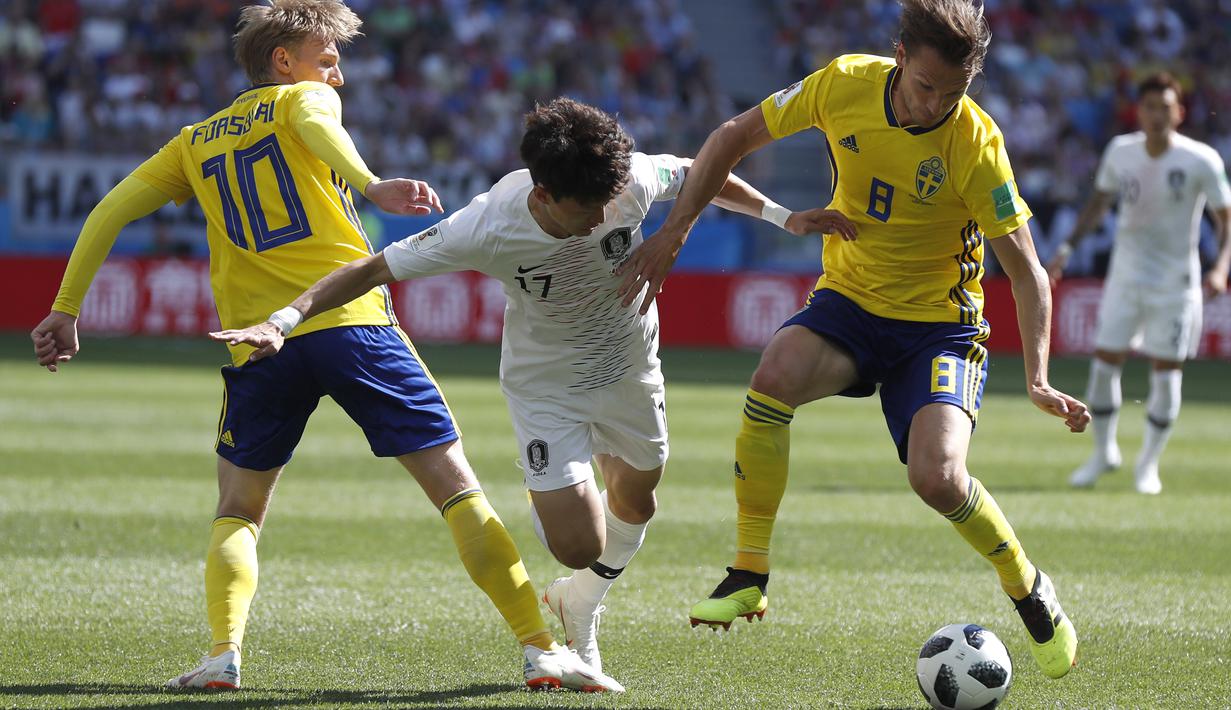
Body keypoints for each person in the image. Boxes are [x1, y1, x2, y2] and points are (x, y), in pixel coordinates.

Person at [29, 0, 618, 694]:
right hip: (351, 324)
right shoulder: (301, 100)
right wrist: (370, 184)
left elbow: (109, 210)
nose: (336, 74)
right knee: (455, 488)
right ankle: (539, 647)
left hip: (260, 342)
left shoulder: (192, 143)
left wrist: (67, 309)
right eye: (327, 57)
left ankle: (222, 654)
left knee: (238, 509)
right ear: (284, 62)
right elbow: (313, 119)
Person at [209, 96, 843, 678]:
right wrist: (284, 320)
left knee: (641, 500)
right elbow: (372, 267)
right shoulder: (487, 225)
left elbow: (700, 168)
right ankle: (563, 517)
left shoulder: (626, 182)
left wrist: (782, 217)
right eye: (583, 211)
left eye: (607, 205)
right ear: (542, 195)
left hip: (630, 369)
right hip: (547, 387)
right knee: (577, 544)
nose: (601, 219)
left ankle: (579, 605)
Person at [615, 0, 1091, 680]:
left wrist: (1038, 377)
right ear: (899, 57)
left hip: (940, 328)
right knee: (772, 376)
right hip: (850, 301)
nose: (936, 105)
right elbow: (727, 139)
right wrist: (674, 231)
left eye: (953, 93)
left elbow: (1026, 271)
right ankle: (748, 572)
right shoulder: (842, 83)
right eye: (926, 86)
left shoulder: (975, 144)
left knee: (937, 478)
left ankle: (1027, 587)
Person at [1048, 72, 1231, 495]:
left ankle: (1148, 465)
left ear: (1179, 112)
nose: (1156, 115)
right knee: (1103, 364)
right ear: (1139, 111)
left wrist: (1220, 267)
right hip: (1126, 275)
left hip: (1175, 282)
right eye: (1149, 107)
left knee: (1166, 375)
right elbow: (1098, 204)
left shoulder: (1201, 160)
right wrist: (1067, 249)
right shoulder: (1121, 152)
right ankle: (1102, 453)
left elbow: (1225, 221)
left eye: (1165, 107)